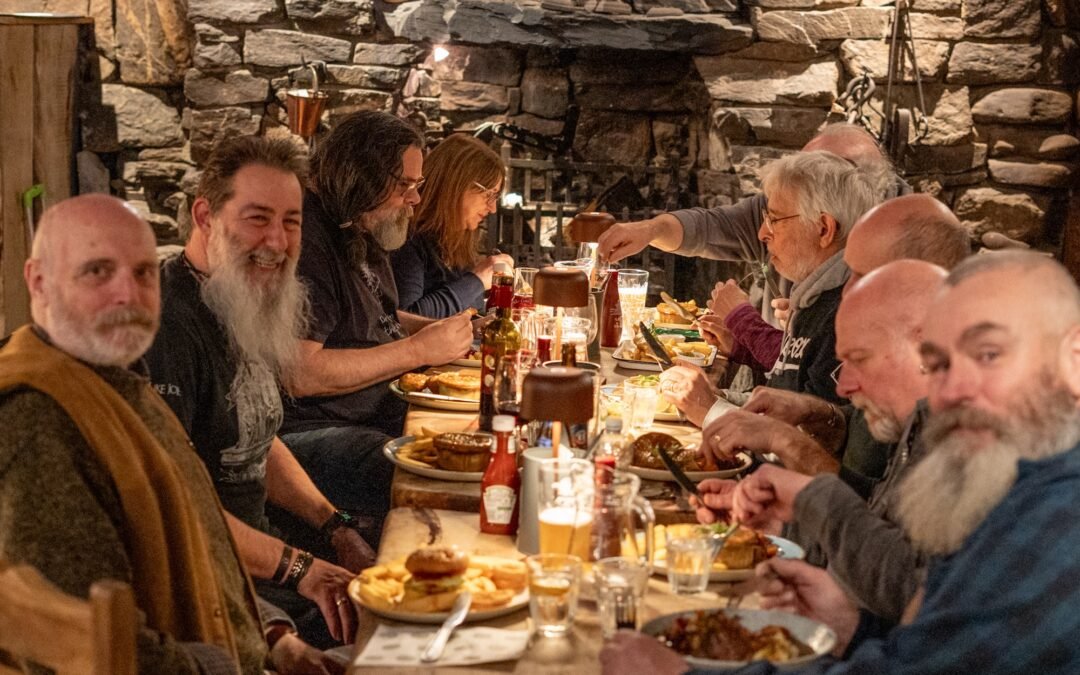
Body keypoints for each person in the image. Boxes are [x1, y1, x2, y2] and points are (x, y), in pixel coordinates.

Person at [602, 250, 1080, 674]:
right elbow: (934, 646)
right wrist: (853, 628)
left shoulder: (1057, 519)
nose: (951, 391)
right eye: (937, 365)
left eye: (989, 355)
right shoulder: (1017, 482)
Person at [0, 195, 342, 674]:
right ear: (38, 281)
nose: (128, 294)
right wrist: (223, 666)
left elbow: (197, 551)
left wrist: (275, 639)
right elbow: (92, 645)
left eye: (143, 273)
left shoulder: (118, 384)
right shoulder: (41, 421)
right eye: (98, 271)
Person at [144, 136, 370, 649]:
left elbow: (256, 440)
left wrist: (337, 528)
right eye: (257, 218)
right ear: (205, 216)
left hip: (268, 552)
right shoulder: (165, 327)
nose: (277, 241)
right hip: (214, 584)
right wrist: (303, 571)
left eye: (291, 222)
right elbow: (173, 513)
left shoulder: (237, 296)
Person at [696, 261, 946, 621]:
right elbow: (883, 539)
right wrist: (782, 524)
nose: (843, 386)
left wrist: (810, 495)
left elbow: (915, 593)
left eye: (859, 359)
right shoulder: (918, 422)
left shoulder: (971, 448)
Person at [281, 112, 474, 533]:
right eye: (405, 185)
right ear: (361, 176)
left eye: (418, 185)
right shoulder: (308, 239)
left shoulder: (361, 220)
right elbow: (301, 372)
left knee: (477, 439)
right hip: (315, 428)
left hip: (374, 409)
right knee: (440, 476)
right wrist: (417, 351)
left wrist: (433, 332)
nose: (415, 199)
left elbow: (375, 316)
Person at [597, 123, 903, 327]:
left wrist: (751, 323)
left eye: (810, 172)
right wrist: (651, 229)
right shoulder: (787, 204)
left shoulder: (905, 243)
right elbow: (711, 227)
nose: (762, 232)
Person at [391, 133, 514, 318]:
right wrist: (477, 280)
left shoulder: (454, 241)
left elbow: (469, 311)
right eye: (489, 195)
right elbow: (404, 318)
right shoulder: (407, 239)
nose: (493, 208)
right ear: (456, 186)